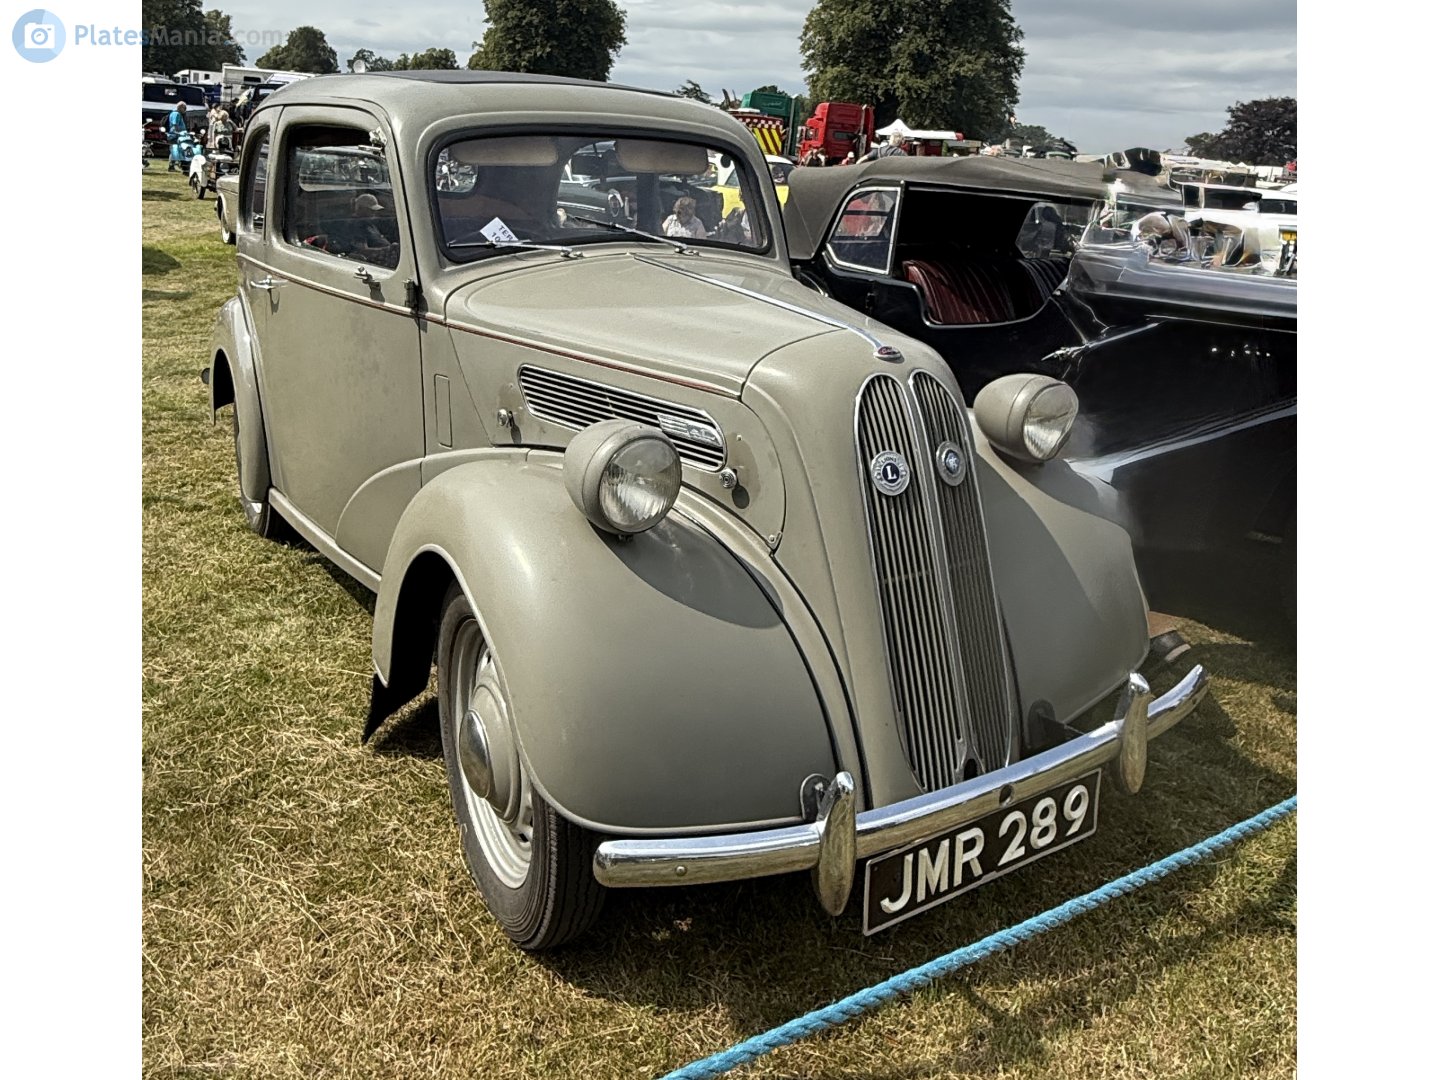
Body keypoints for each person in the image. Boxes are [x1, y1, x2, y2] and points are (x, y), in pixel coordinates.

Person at [166, 101, 189, 171]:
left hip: (175, 135)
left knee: (175, 150)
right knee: (174, 150)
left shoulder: (173, 113)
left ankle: (175, 165)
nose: (185, 110)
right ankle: (171, 166)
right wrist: (179, 132)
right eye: (184, 108)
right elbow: (175, 124)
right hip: (175, 135)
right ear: (180, 107)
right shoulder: (176, 114)